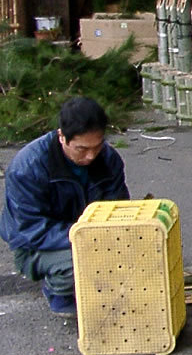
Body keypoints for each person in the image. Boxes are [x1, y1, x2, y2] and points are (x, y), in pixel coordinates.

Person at [1, 97, 129, 314]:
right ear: (62, 136)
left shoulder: (108, 159)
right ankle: (57, 289)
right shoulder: (27, 168)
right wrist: (86, 237)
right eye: (81, 149)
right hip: (37, 247)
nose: (90, 156)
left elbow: (118, 207)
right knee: (82, 260)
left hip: (91, 234)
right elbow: (31, 231)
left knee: (131, 251)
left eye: (97, 146)